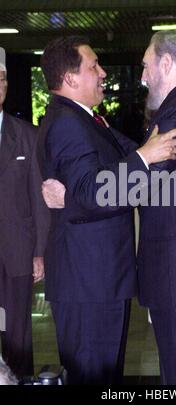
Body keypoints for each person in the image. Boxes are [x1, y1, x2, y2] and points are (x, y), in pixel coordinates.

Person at [42, 31, 176, 385]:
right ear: (70, 78)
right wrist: (91, 187)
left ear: (165, 63)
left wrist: (71, 196)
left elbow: (151, 179)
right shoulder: (75, 121)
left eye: (145, 66)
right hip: (166, 275)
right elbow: (139, 162)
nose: (141, 76)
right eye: (94, 65)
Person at [0, 50, 49, 378]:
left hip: (15, 255)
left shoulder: (27, 136)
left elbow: (38, 199)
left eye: (1, 78)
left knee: (16, 336)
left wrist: (39, 253)